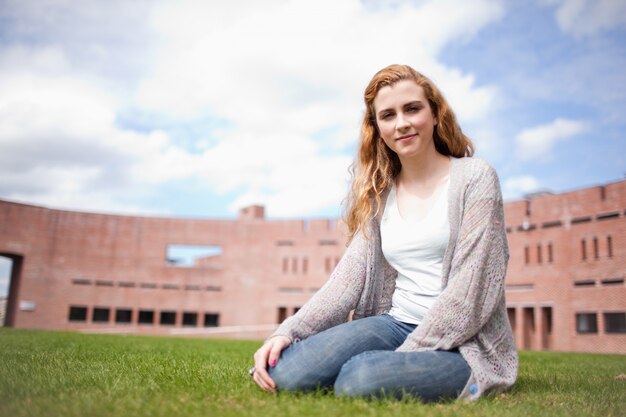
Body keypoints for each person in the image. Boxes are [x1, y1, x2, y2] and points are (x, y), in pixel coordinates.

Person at [249, 64, 518, 402]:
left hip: (464, 343)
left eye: (412, 109)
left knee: (358, 380)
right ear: (377, 128)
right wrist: (289, 331)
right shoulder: (380, 193)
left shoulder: (475, 179)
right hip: (395, 323)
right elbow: (346, 281)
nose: (402, 123)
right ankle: (373, 367)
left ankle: (424, 374)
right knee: (285, 372)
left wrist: (406, 356)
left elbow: (470, 294)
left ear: (435, 114)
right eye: (388, 115)